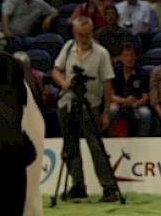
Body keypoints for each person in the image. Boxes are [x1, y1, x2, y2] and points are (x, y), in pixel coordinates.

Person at [51, 16, 119, 202]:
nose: (84, 38)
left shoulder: (101, 53)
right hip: (68, 101)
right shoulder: (67, 48)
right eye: (81, 34)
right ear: (75, 33)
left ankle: (109, 187)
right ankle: (77, 185)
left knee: (96, 146)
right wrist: (65, 84)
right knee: (70, 145)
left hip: (92, 103)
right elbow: (56, 71)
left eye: (88, 34)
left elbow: (107, 83)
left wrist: (106, 111)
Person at [109, 43, 152, 137]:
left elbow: (146, 97)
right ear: (120, 57)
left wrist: (134, 104)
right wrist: (125, 101)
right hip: (118, 103)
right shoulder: (114, 72)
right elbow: (110, 95)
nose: (129, 58)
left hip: (137, 103)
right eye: (126, 55)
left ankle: (142, 140)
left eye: (132, 55)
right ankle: (109, 138)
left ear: (136, 57)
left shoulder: (143, 73)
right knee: (112, 110)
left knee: (145, 113)